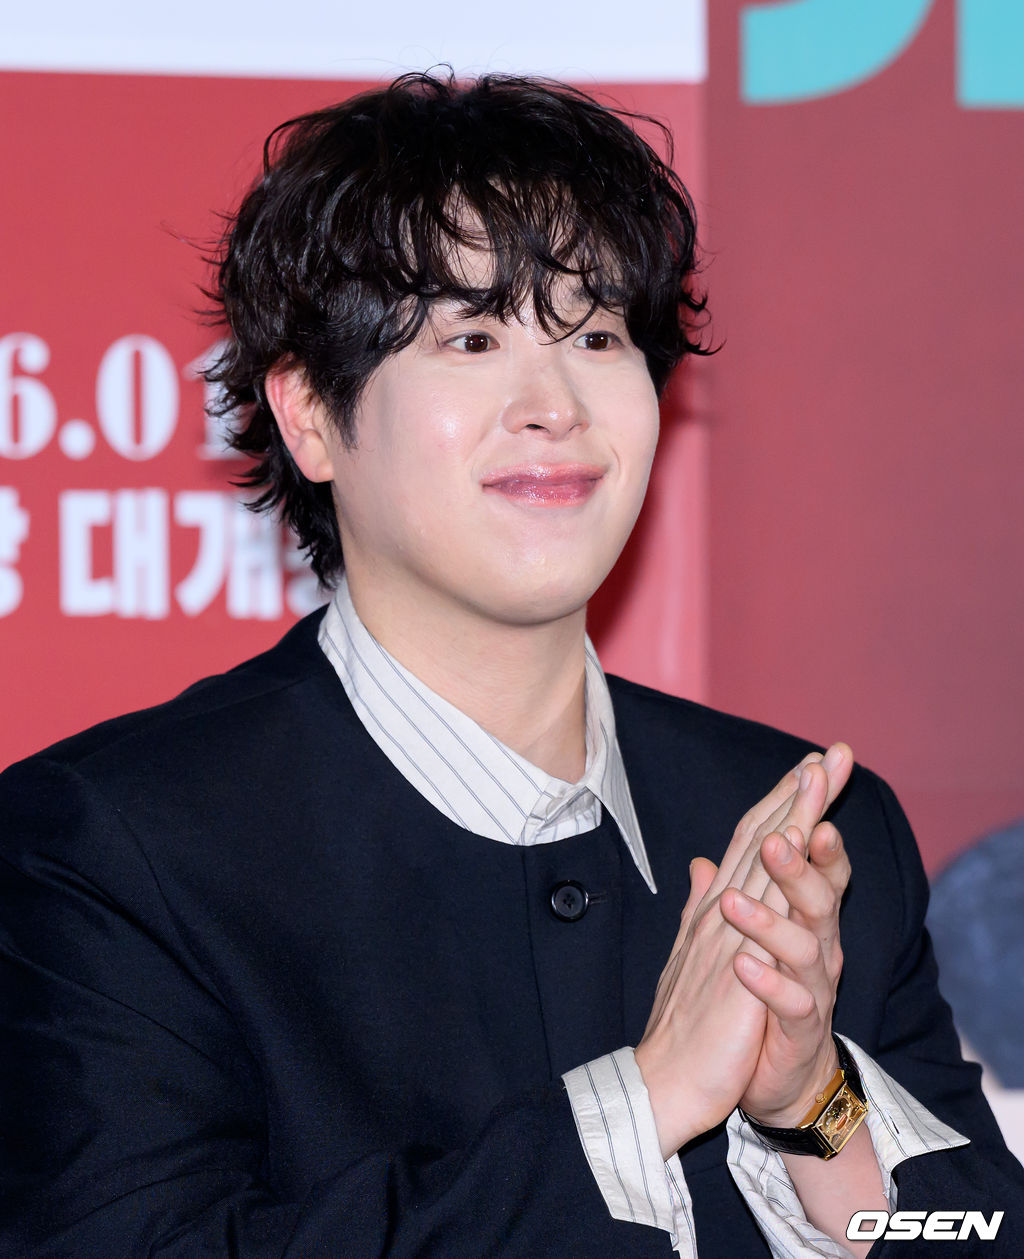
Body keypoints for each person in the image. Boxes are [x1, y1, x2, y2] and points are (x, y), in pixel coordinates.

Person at [1, 71, 1021, 1258]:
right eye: (472, 337)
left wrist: (810, 1104)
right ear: (312, 414)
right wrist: (643, 1101)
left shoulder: (802, 834)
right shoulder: (111, 847)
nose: (552, 404)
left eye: (595, 336)